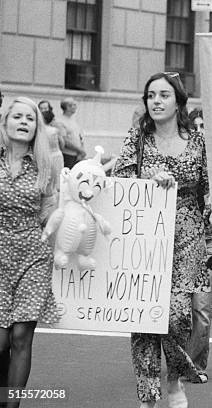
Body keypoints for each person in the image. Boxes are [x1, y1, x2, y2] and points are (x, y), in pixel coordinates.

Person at [113, 72, 209, 408]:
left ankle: (174, 379)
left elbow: (210, 191)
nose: (156, 101)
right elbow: (119, 177)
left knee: (178, 316)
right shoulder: (137, 140)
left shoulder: (198, 143)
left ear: (179, 102)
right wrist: (148, 178)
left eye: (164, 95)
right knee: (143, 318)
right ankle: (148, 396)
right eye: (151, 95)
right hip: (145, 234)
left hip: (186, 237)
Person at [0, 97, 59, 408]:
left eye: (30, 118)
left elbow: (50, 208)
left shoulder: (45, 165)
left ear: (37, 127)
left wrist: (59, 219)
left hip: (32, 255)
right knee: (0, 342)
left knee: (21, 337)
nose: (24, 122)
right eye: (17, 116)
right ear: (6, 122)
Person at [185, 106, 212, 384]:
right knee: (179, 308)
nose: (200, 132)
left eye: (204, 127)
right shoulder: (183, 162)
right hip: (182, 241)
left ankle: (195, 365)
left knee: (202, 309)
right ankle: (179, 357)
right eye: (195, 127)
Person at [55, 97, 86, 169]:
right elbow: (64, 140)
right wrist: (80, 150)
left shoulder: (73, 120)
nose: (75, 106)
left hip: (76, 155)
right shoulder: (60, 121)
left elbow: (79, 136)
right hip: (67, 155)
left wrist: (81, 150)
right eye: (73, 104)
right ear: (68, 107)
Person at [38, 100, 66, 176]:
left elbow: (62, 141)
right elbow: (62, 143)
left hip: (51, 155)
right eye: (41, 108)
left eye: (45, 108)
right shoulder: (37, 125)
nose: (43, 110)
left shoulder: (55, 125)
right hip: (47, 155)